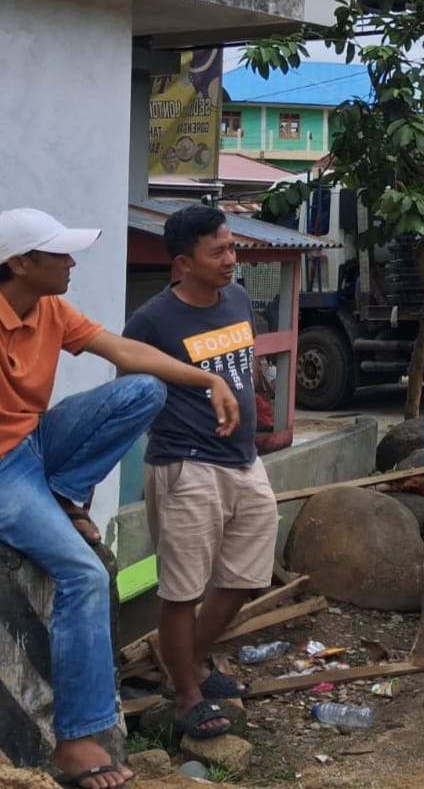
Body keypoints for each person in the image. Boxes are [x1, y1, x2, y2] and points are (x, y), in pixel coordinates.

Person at [0, 208, 238, 789]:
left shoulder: (51, 308)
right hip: (4, 472)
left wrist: (209, 379)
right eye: (60, 255)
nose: (73, 264)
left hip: (35, 448)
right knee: (82, 574)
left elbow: (124, 353)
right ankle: (77, 741)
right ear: (20, 263)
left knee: (142, 391)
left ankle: (63, 492)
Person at [122, 205, 276, 741]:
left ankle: (186, 665)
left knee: (246, 575)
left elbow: (245, 363)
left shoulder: (235, 298)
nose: (232, 260)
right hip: (185, 464)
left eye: (233, 247)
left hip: (244, 460)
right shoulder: (152, 320)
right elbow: (129, 386)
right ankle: (186, 693)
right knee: (182, 590)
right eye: (219, 252)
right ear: (184, 263)